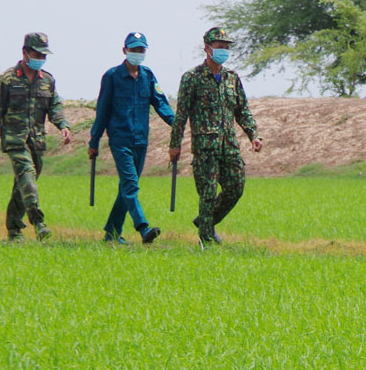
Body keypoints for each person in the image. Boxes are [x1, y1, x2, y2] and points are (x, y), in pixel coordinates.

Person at [168, 27, 262, 247]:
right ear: (207, 48)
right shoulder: (192, 78)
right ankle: (206, 238)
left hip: (229, 146)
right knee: (207, 194)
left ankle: (205, 222)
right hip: (205, 148)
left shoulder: (232, 78)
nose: (224, 51)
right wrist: (174, 146)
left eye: (226, 47)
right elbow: (181, 114)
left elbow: (242, 110)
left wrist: (253, 135)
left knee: (236, 188)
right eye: (220, 47)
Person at [0, 32, 73, 241]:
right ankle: (39, 223)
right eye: (36, 53)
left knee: (22, 183)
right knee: (27, 176)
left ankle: (13, 229)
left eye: (43, 55)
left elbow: (55, 107)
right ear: (24, 52)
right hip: (14, 139)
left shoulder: (47, 80)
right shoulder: (7, 79)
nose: (41, 58)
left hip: (37, 140)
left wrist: (63, 125)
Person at [88, 32, 175, 245]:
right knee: (130, 185)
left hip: (141, 140)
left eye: (141, 50)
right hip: (120, 140)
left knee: (127, 188)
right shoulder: (112, 76)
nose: (137, 53)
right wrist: (94, 141)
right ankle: (143, 227)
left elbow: (160, 103)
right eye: (133, 49)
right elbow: (103, 110)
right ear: (124, 50)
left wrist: (176, 122)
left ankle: (111, 232)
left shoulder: (148, 76)